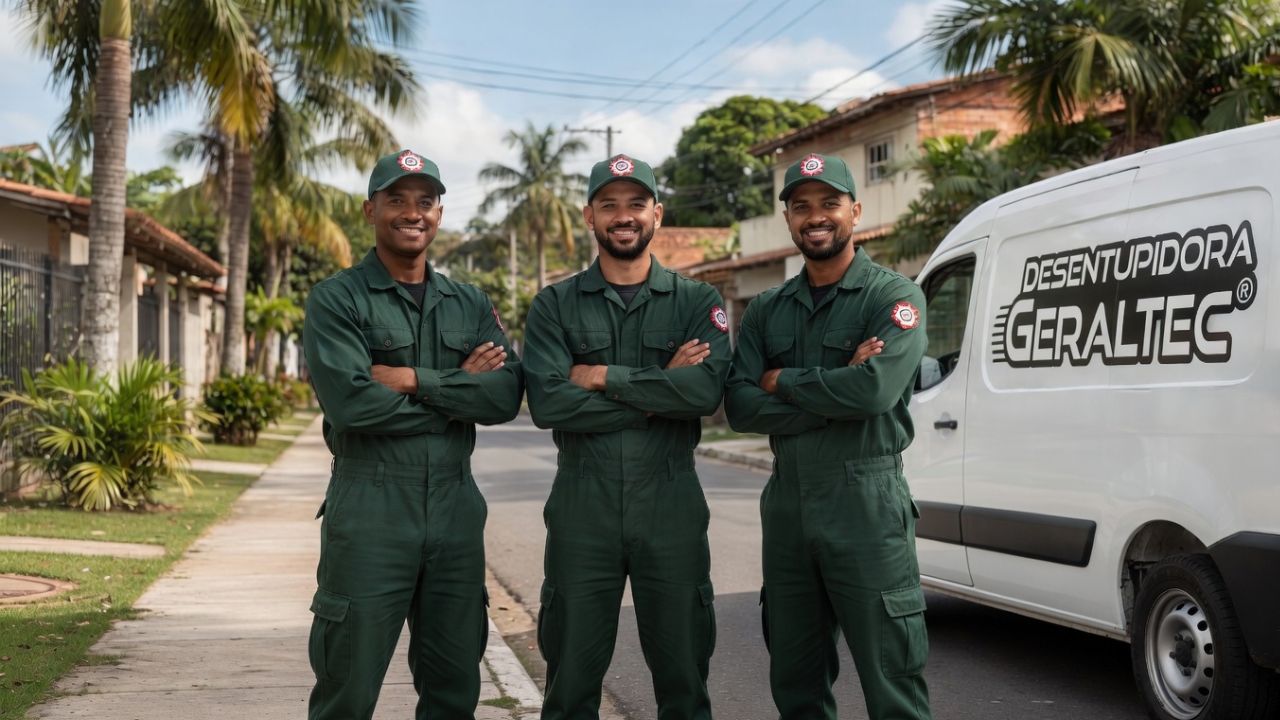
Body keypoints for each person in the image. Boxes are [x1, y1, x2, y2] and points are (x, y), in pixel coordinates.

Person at [302, 149, 524, 720]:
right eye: (396, 200)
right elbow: (351, 405)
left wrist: (408, 379)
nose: (412, 212)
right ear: (369, 210)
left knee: (454, 687)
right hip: (371, 508)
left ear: (440, 214)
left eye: (424, 201)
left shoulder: (469, 301)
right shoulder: (338, 298)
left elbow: (503, 396)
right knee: (347, 687)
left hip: (454, 510)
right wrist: (456, 394)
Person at [724, 153, 933, 720]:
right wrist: (837, 391)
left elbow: (873, 395)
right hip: (788, 502)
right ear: (788, 219)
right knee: (795, 677)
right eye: (801, 207)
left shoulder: (894, 298)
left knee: (891, 677)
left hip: (866, 500)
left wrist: (782, 380)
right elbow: (740, 406)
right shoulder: (767, 310)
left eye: (829, 204)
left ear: (854, 211)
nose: (816, 217)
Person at [523, 154, 730, 720]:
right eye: (609, 205)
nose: (623, 216)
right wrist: (662, 386)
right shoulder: (553, 305)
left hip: (671, 501)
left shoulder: (698, 303)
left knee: (685, 677)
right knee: (569, 682)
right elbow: (547, 402)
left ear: (657, 214)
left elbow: (705, 395)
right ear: (589, 216)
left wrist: (602, 376)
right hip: (582, 503)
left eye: (636, 204)